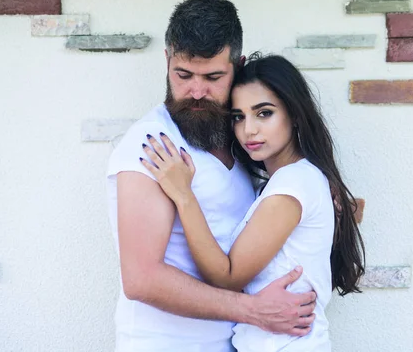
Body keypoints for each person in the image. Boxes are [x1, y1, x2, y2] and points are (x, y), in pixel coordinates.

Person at [106, 0, 316, 352]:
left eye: (214, 77)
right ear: (167, 59)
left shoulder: (238, 137)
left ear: (239, 65)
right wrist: (253, 311)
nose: (197, 91)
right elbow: (141, 279)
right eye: (183, 75)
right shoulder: (152, 144)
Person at [140, 53, 366, 351]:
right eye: (238, 116)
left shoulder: (293, 184)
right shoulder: (294, 181)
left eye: (264, 113)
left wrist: (184, 195)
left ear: (295, 115)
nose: (249, 130)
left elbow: (227, 276)